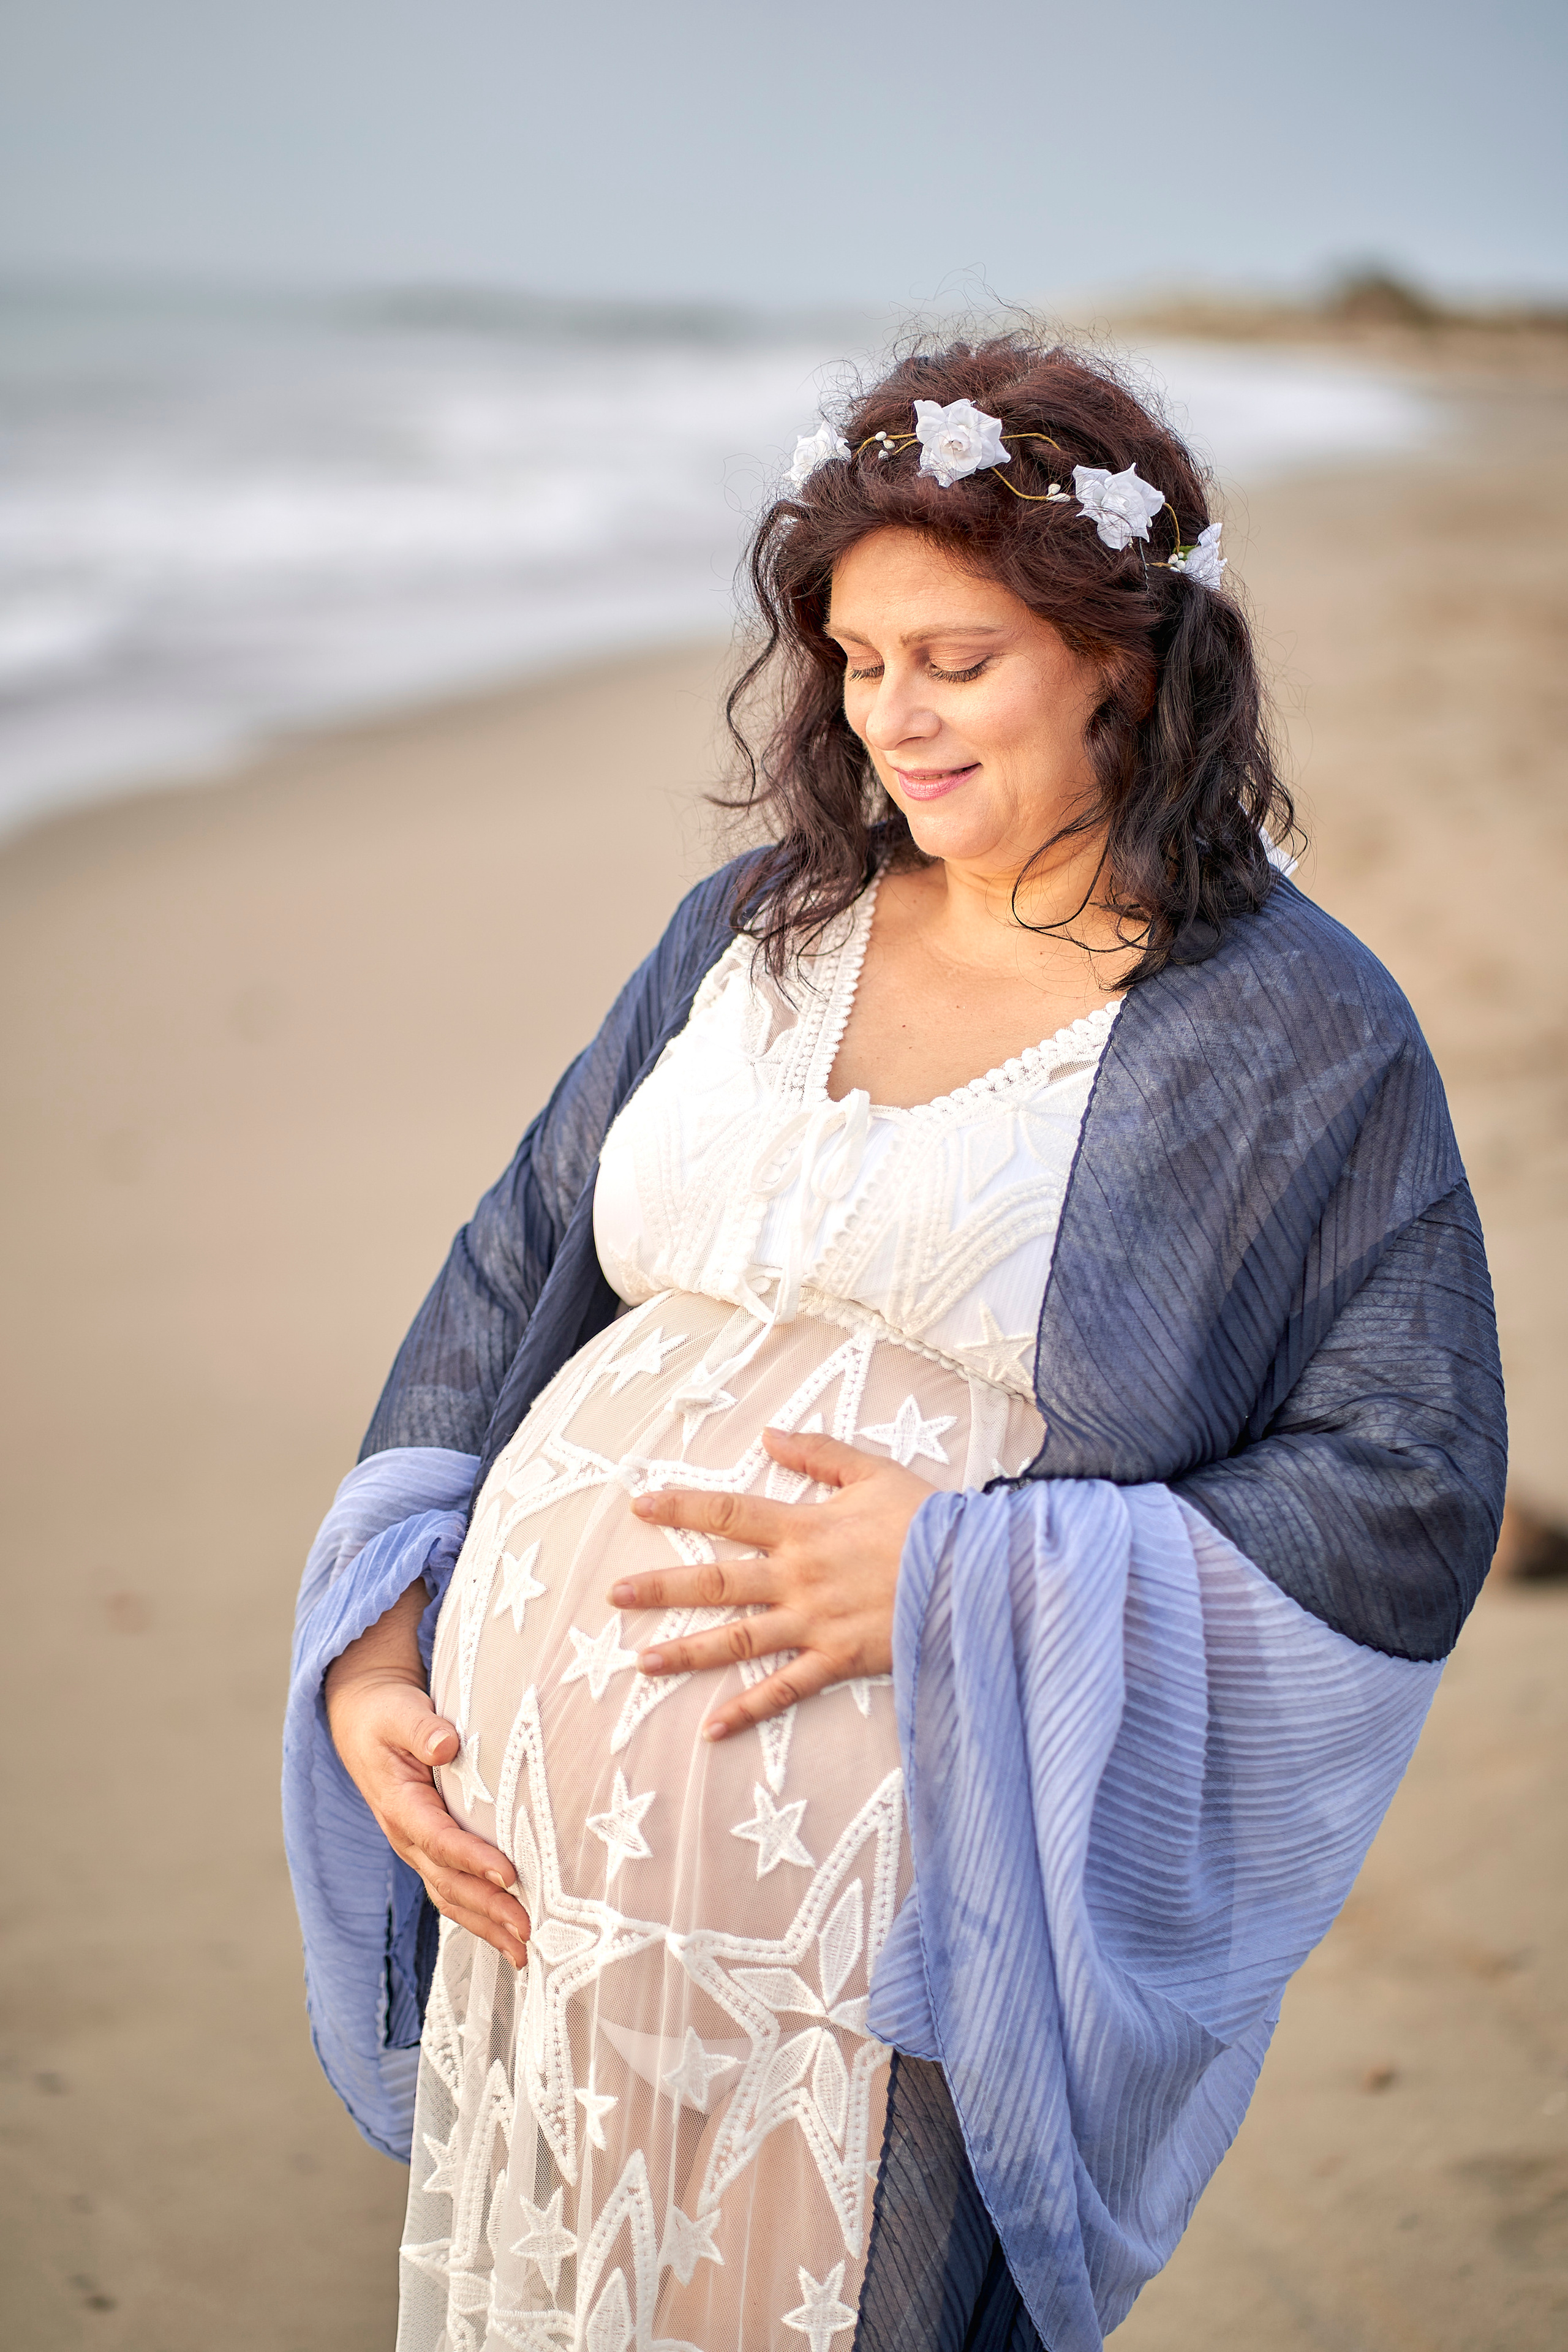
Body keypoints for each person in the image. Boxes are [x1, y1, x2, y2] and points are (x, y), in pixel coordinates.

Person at [284, 336, 1506, 2352]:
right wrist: (379, 1634)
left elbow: (1410, 1480)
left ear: (1118, 651)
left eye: (957, 659)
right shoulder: (758, 926)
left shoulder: (1289, 1027)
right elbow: (515, 1271)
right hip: (552, 1902)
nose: (892, 719)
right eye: (858, 662)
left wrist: (967, 1574)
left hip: (875, 1926)